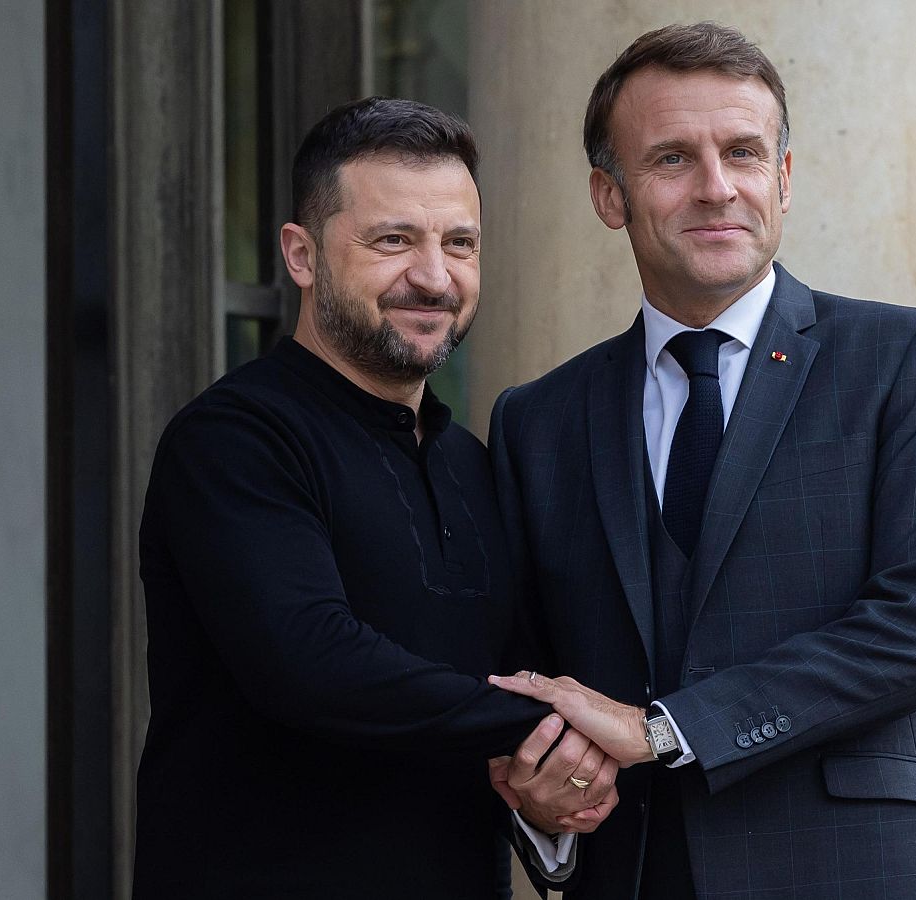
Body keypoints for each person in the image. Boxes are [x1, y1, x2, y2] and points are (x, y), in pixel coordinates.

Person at [482, 22, 916, 900]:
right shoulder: (538, 422)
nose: (716, 188)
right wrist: (543, 797)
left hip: (865, 873)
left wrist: (667, 729)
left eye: (744, 153)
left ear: (784, 177)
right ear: (609, 195)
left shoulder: (912, 358)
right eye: (672, 159)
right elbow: (535, 678)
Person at [132, 97, 614, 899]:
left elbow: (513, 687)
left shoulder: (471, 465)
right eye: (393, 240)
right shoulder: (234, 439)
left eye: (459, 243)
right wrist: (565, 726)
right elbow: (310, 661)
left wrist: (553, 778)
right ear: (302, 254)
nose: (434, 277)